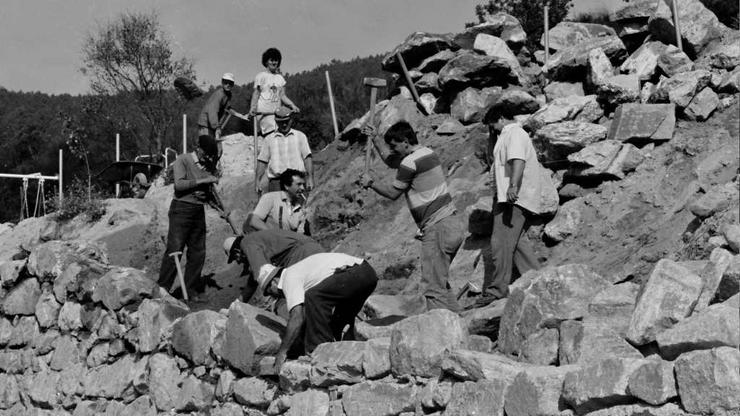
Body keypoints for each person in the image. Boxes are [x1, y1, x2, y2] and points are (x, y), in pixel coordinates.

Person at [359, 122, 464, 312]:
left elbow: (392, 193)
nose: (392, 150)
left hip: (437, 226)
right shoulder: (426, 153)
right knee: (439, 281)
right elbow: (392, 161)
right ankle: (457, 320)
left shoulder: (409, 163)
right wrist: (375, 138)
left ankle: (442, 331)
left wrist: (371, 183)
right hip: (450, 220)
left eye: (394, 146)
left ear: (405, 142)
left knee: (433, 286)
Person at [476, 110, 550, 307]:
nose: (492, 130)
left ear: (501, 118)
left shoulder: (515, 133)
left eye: (493, 125)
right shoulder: (505, 136)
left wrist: (513, 186)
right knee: (517, 245)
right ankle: (539, 283)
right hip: (509, 197)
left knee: (500, 242)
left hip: (513, 198)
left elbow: (518, 160)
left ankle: (497, 289)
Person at [257, 252, 378, 372]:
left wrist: (282, 352)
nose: (272, 296)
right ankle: (354, 359)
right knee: (338, 323)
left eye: (269, 292)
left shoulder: (289, 277)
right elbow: (308, 314)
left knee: (314, 297)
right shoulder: (300, 272)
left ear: (273, 282)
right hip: (367, 273)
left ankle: (319, 352)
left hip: (354, 273)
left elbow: (297, 317)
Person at [158, 135, 222, 297]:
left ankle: (190, 290)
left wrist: (220, 208)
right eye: (205, 153)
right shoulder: (183, 160)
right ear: (198, 148)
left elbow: (207, 192)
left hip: (198, 211)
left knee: (198, 252)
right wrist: (202, 181)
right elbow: (179, 185)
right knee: (175, 249)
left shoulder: (206, 165)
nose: (207, 157)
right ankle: (162, 289)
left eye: (210, 155)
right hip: (181, 209)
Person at [223, 228, 325, 307]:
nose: (238, 262)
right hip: (315, 250)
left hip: (302, 254)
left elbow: (263, 275)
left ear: (237, 252)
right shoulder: (256, 241)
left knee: (286, 303)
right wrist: (234, 306)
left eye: (235, 258)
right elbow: (251, 285)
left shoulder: (246, 243)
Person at [255, 107, 314, 194]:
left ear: (291, 120)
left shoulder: (300, 136)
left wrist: (310, 178)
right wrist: (257, 181)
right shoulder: (269, 139)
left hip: (296, 181)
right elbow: (262, 161)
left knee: (298, 207)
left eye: (286, 121)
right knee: (278, 207)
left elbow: (307, 158)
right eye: (281, 122)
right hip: (276, 183)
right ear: (276, 121)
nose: (284, 125)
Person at [249, 48, 300, 136]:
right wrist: (252, 108)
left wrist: (292, 105)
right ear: (266, 62)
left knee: (280, 135)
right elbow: (256, 94)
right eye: (271, 60)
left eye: (276, 60)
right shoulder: (261, 76)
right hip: (264, 114)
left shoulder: (280, 78)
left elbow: (283, 95)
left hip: (276, 114)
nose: (274, 63)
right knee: (271, 135)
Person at [249, 169, 310, 235]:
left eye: (303, 184)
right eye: (299, 184)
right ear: (286, 186)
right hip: (268, 241)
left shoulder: (300, 206)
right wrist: (275, 235)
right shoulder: (270, 198)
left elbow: (299, 231)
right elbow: (254, 221)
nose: (303, 188)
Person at [198, 73, 234, 140]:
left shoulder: (228, 95)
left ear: (233, 84)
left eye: (230, 83)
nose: (228, 85)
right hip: (206, 124)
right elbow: (212, 111)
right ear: (222, 82)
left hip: (214, 125)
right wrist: (216, 127)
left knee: (215, 147)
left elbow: (227, 108)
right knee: (207, 145)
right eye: (226, 82)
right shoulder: (219, 94)